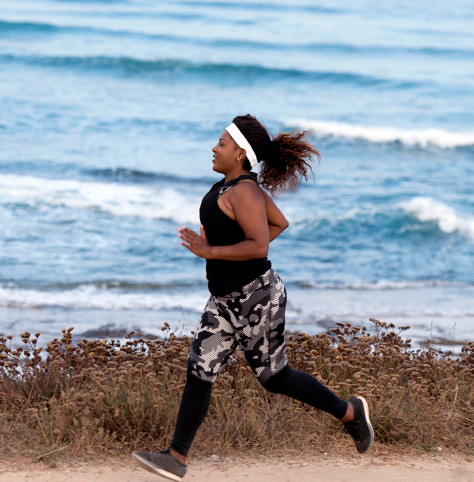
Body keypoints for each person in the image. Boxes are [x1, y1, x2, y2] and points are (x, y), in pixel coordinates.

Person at [131, 115, 373, 481]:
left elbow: (259, 243)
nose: (215, 148)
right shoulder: (233, 188)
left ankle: (351, 413)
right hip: (224, 301)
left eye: (223, 143)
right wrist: (221, 249)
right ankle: (176, 457)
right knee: (200, 370)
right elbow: (278, 224)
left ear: (241, 153)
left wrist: (211, 250)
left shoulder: (243, 190)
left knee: (274, 377)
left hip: (256, 296)